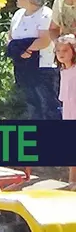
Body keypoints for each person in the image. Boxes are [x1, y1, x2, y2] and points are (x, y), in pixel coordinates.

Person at [6, 0, 60, 120]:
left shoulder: (46, 14)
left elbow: (44, 40)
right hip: (23, 68)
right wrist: (17, 51)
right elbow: (11, 36)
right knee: (31, 105)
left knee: (48, 105)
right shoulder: (18, 14)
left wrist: (27, 50)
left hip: (43, 68)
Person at [54, 35, 76, 186]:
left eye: (65, 50)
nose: (61, 54)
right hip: (68, 110)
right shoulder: (63, 70)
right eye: (58, 51)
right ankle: (72, 180)